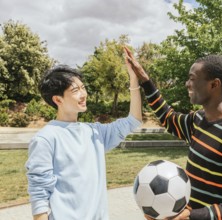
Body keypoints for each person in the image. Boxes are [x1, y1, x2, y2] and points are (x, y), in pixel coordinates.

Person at [125, 47, 222, 220]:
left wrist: (194, 216)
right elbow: (169, 118)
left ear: (214, 85)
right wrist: (145, 80)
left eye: (192, 78)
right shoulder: (198, 120)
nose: (187, 83)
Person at [25, 49, 142, 220]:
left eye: (83, 88)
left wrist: (133, 79)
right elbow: (39, 196)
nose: (83, 94)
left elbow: (134, 120)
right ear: (58, 100)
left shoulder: (95, 132)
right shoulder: (45, 139)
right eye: (75, 90)